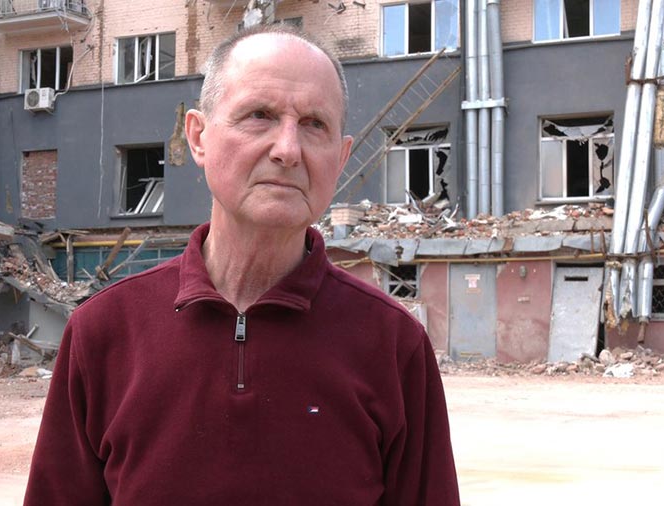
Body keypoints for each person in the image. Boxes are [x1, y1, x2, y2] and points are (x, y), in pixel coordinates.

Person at [24, 24, 460, 505]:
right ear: (198, 137)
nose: (288, 150)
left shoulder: (393, 345)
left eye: (314, 124)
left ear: (341, 157)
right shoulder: (104, 332)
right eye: (260, 115)